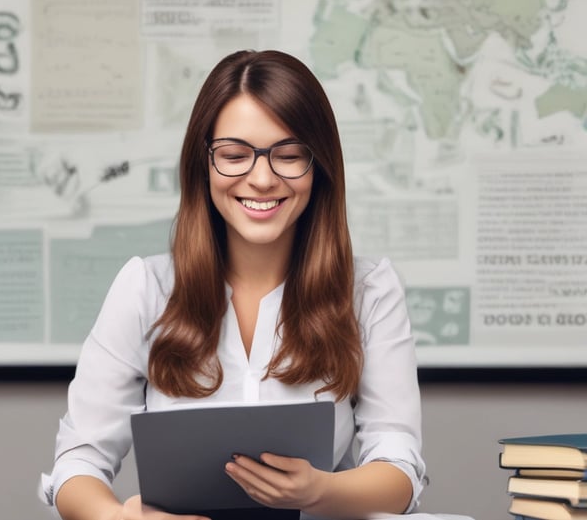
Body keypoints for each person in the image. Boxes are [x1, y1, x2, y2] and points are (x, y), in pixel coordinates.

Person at [40, 49, 427, 520]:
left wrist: (319, 491)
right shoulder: (145, 288)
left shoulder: (369, 292)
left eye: (288, 156)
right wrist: (118, 518)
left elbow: (399, 468)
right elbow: (78, 462)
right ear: (203, 163)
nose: (262, 179)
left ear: (319, 166)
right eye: (234, 156)